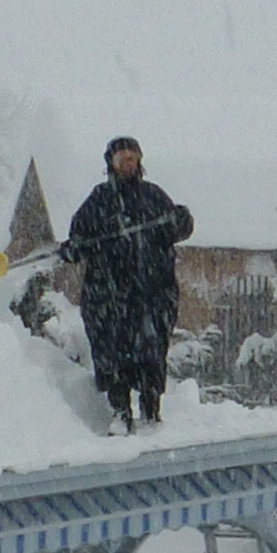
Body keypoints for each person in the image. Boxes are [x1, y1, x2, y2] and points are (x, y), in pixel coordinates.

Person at [58, 136, 194, 435]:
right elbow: (77, 242)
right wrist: (75, 248)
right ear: (111, 162)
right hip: (109, 298)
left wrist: (181, 219)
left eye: (132, 156)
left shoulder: (153, 196)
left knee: (151, 352)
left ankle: (151, 410)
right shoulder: (99, 200)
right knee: (112, 355)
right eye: (121, 156)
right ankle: (120, 412)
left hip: (151, 295)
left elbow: (179, 229)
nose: (127, 161)